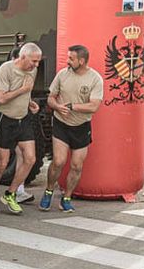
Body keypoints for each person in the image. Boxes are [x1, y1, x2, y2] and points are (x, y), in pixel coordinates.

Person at [39, 44, 103, 211]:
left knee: (76, 165)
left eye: (71, 58)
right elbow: (51, 98)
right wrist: (57, 107)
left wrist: (72, 106)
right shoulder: (62, 74)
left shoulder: (95, 79)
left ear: (81, 61)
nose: (67, 61)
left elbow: (94, 106)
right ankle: (49, 190)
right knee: (59, 161)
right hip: (61, 123)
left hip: (81, 126)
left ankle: (66, 197)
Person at [0, 42, 42, 215]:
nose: (36, 65)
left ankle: (11, 193)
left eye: (38, 61)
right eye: (33, 61)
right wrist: (23, 90)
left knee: (30, 158)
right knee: (1, 163)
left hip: (22, 118)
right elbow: (1, 98)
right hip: (4, 119)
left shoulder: (32, 69)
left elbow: (27, 91)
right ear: (23, 57)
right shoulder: (6, 69)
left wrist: (29, 101)